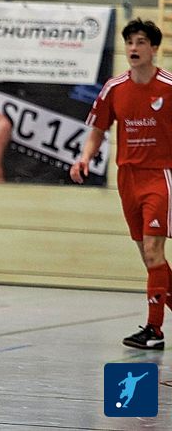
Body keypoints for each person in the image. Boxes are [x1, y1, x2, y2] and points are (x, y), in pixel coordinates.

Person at [71, 18, 172, 350]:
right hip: (127, 178)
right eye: (129, 42)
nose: (133, 48)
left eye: (141, 42)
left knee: (154, 251)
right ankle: (155, 326)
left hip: (161, 175)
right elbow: (98, 129)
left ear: (153, 48)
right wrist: (85, 158)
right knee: (149, 257)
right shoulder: (115, 88)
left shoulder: (168, 86)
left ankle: (154, 330)